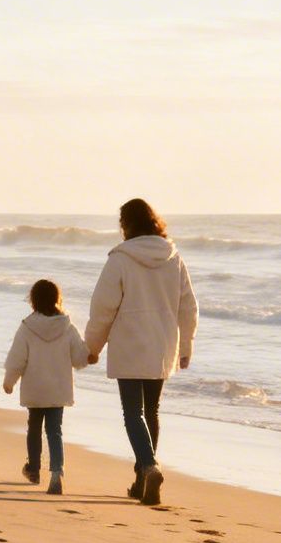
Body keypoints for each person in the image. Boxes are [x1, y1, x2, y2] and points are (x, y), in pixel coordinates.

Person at [84, 198, 197, 505]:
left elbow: (103, 308)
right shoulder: (173, 257)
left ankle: (148, 466)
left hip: (129, 344)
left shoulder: (120, 259)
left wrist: (92, 347)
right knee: (152, 412)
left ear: (126, 225)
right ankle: (141, 480)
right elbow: (188, 305)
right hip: (162, 345)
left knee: (133, 413)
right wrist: (186, 346)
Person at [2, 278, 88, 496]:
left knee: (34, 428)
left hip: (35, 387)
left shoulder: (27, 327)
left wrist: (9, 380)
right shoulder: (67, 327)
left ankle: (33, 470)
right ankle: (57, 472)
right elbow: (79, 358)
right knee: (54, 431)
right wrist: (91, 355)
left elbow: (17, 358)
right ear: (57, 299)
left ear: (33, 301)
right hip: (58, 389)